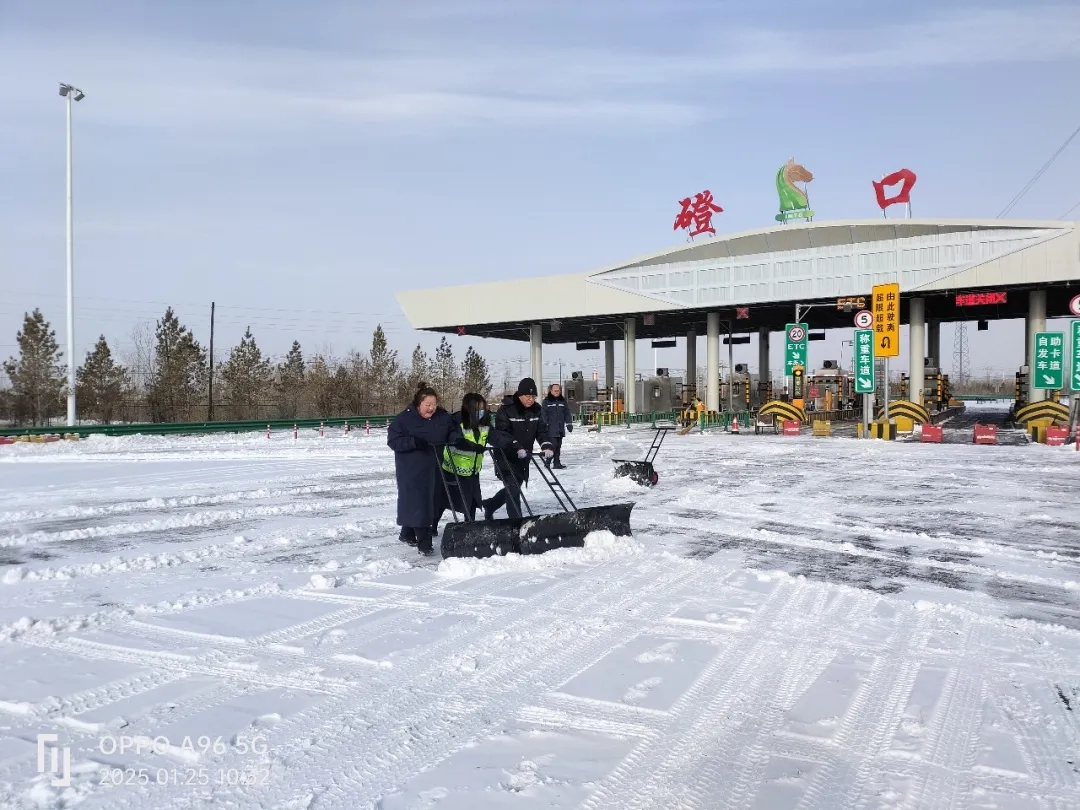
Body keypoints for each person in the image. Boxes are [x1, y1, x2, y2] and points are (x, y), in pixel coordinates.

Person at [387, 384, 462, 556]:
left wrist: (454, 439)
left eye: (434, 404)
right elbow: (393, 441)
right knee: (419, 504)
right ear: (418, 403)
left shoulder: (442, 417)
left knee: (429, 502)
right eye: (427, 404)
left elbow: (452, 430)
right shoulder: (404, 420)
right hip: (412, 470)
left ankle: (407, 533)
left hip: (435, 467)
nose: (431, 408)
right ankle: (424, 544)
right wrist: (413, 442)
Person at [483, 377, 553, 520]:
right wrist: (516, 447)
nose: (531, 399)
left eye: (533, 396)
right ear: (519, 395)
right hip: (506, 457)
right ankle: (517, 523)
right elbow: (503, 433)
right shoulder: (506, 410)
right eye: (528, 396)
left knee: (513, 488)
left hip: (523, 458)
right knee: (513, 490)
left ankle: (491, 505)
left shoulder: (537, 411)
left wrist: (546, 445)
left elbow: (542, 431)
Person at [432, 392, 493, 533]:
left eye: (483, 408)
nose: (481, 412)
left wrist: (513, 444)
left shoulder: (484, 423)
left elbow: (495, 437)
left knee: (471, 501)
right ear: (469, 408)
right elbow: (455, 439)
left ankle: (469, 527)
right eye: (478, 408)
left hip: (471, 471)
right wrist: (472, 446)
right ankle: (433, 525)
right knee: (443, 501)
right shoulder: (456, 421)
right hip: (453, 469)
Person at [541, 383, 573, 469]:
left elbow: (567, 413)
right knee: (553, 446)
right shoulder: (546, 401)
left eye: (558, 390)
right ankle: (547, 462)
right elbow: (543, 414)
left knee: (558, 446)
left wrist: (569, 423)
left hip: (560, 428)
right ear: (551, 391)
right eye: (555, 390)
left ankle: (557, 463)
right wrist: (545, 424)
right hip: (551, 428)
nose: (557, 392)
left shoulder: (563, 401)